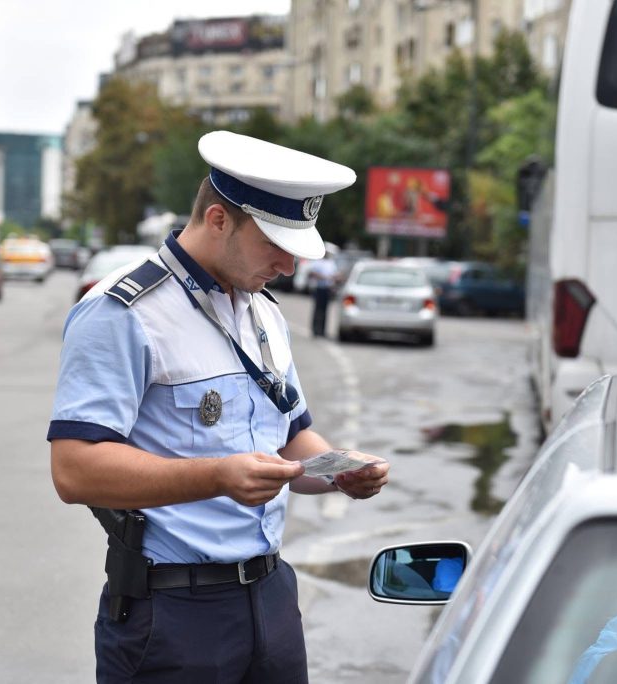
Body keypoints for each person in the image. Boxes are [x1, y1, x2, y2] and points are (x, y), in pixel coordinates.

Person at [47, 130, 390, 684]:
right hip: (173, 612)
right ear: (218, 220)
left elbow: (291, 438)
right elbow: (74, 470)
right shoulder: (124, 313)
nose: (288, 266)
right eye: (275, 245)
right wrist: (218, 477)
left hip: (271, 598)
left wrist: (340, 471)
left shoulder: (264, 312)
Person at [307, 254, 338, 337]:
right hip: (319, 288)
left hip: (327, 289)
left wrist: (334, 278)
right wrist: (322, 277)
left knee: (325, 310)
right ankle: (315, 329)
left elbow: (334, 274)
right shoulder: (318, 262)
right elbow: (312, 273)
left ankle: (322, 331)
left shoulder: (331, 263)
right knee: (318, 310)